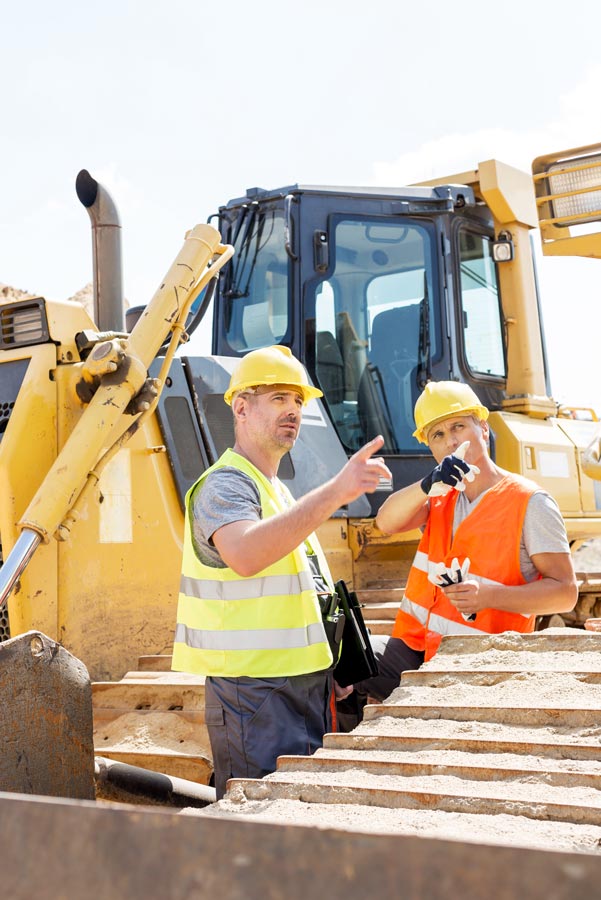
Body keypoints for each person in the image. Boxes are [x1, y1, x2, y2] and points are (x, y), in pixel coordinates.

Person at [172, 344, 391, 798]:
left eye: (298, 401)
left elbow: (305, 592)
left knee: (297, 822)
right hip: (255, 695)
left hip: (302, 686)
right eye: (278, 399)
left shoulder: (276, 493)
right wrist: (336, 492)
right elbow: (247, 555)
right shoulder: (225, 485)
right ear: (241, 407)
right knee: (260, 829)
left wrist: (330, 666)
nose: (293, 411)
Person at [354, 381, 578, 703]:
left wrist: (488, 596)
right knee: (345, 660)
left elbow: (565, 594)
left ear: (483, 429)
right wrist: (426, 485)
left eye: (458, 426)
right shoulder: (440, 496)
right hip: (417, 650)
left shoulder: (530, 502)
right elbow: (386, 522)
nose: (451, 441)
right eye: (438, 435)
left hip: (482, 663)